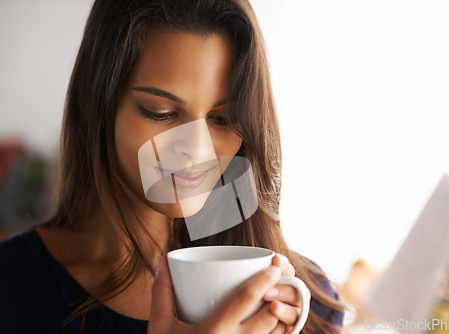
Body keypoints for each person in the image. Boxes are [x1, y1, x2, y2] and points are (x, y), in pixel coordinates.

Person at [0, 0, 345, 333]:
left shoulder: (305, 305)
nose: (197, 150)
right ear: (97, 103)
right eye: (161, 112)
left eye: (223, 118)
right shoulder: (11, 289)